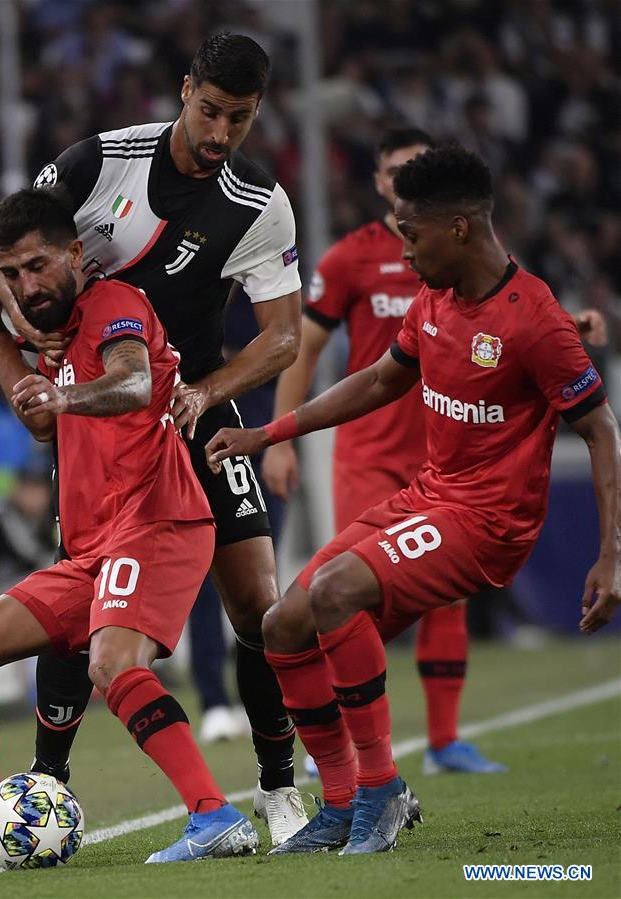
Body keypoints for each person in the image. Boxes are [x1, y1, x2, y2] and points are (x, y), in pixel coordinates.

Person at [205, 145, 620, 856]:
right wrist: (268, 432)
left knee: (335, 591)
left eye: (413, 233)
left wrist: (611, 554)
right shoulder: (435, 299)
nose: (404, 250)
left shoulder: (534, 320)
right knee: (282, 624)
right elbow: (377, 380)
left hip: (490, 522)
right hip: (430, 495)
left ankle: (382, 789)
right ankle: (342, 803)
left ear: (459, 228)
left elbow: (601, 429)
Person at [0, 32, 307, 844]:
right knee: (75, 600)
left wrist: (205, 393)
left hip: (195, 409)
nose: (220, 133)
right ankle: (47, 783)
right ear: (185, 90)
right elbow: (4, 244)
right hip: (100, 414)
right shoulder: (98, 163)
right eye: (210, 110)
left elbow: (285, 336)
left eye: (240, 118)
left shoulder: (260, 203)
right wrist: (29, 331)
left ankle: (279, 787)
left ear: (257, 113)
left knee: (258, 607)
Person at [0, 189, 258, 877]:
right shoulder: (54, 337)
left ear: (73, 253)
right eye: (12, 273)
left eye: (37, 266)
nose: (27, 285)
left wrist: (62, 393)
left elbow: (131, 383)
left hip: (157, 521)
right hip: (92, 548)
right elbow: (40, 420)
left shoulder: (115, 305)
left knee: (112, 663)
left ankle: (215, 815)